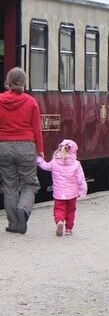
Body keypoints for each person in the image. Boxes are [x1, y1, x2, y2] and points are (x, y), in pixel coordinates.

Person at [0, 67, 44, 234]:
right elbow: (37, 129)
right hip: (26, 146)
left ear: (8, 82)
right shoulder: (31, 102)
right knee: (29, 184)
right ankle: (23, 210)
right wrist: (40, 149)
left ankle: (14, 224)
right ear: (24, 82)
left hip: (3, 146)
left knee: (9, 185)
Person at [37, 139, 87, 236]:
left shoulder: (54, 162)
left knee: (59, 209)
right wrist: (83, 191)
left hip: (59, 193)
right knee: (71, 211)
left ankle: (60, 221)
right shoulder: (76, 164)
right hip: (72, 194)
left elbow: (45, 166)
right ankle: (68, 229)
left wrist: (39, 159)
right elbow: (81, 179)